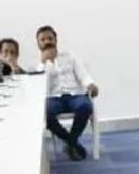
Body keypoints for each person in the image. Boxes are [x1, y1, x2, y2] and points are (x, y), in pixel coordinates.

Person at [36, 25, 99, 162]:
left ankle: (71, 142)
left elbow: (83, 74)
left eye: (50, 38)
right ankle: (72, 142)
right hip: (53, 98)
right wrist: (45, 63)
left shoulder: (70, 56)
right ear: (38, 44)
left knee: (85, 106)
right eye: (43, 40)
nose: (47, 42)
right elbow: (40, 86)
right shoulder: (40, 66)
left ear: (56, 40)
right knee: (44, 112)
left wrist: (90, 84)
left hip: (75, 94)